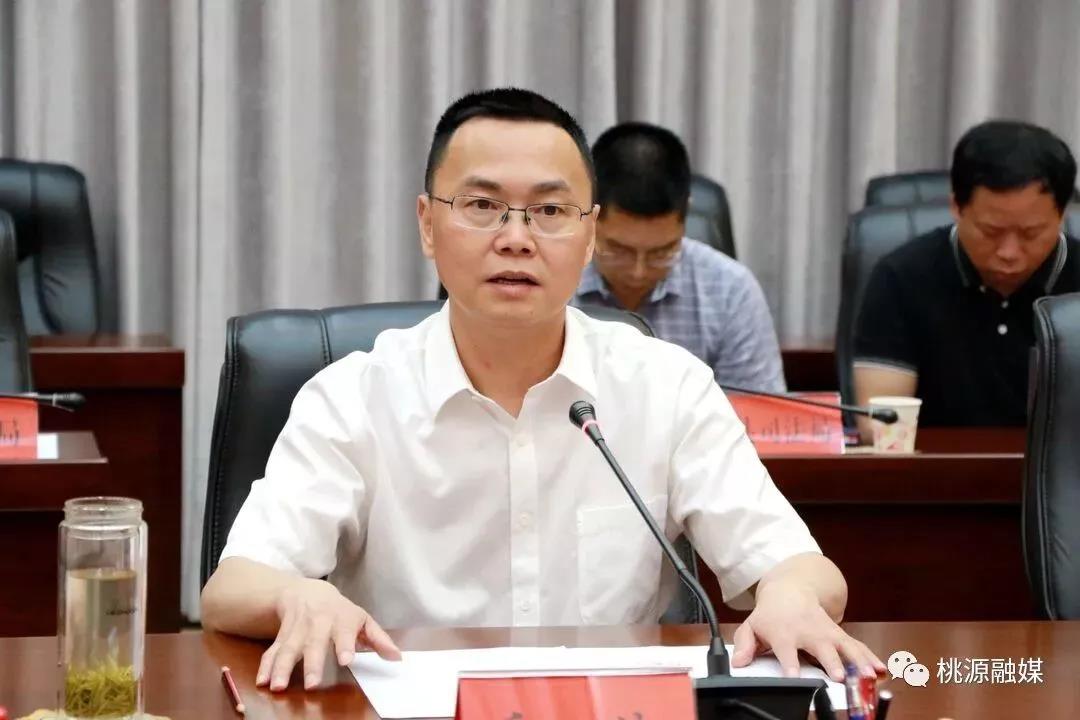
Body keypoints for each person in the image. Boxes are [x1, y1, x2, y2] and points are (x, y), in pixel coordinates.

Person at [201, 87, 883, 692]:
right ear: (427, 225)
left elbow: (803, 567)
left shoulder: (666, 385)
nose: (516, 239)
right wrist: (297, 596)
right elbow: (232, 588)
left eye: (551, 210)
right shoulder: (352, 397)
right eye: (482, 206)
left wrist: (790, 595)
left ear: (589, 235)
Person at [853, 120, 1080, 436]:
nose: (1009, 252)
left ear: (1062, 214)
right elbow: (880, 426)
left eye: (1031, 233)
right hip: (931, 466)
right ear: (956, 207)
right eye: (991, 232)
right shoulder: (901, 278)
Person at [574, 122, 785, 392]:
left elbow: (756, 408)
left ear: (686, 214)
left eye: (661, 253)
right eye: (619, 251)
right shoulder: (550, 277)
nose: (638, 272)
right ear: (589, 213)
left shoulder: (730, 290)